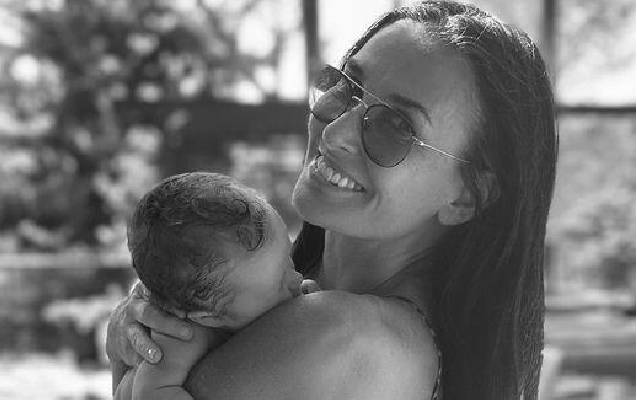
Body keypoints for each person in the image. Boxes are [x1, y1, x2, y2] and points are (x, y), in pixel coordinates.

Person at [106, 1, 558, 399]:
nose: (336, 132)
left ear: (467, 196)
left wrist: (142, 367)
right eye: (348, 88)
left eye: (396, 127)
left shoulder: (343, 338)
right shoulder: (296, 298)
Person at [113, 172, 318, 400]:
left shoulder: (247, 293)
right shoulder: (180, 338)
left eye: (288, 261)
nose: (297, 279)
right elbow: (150, 393)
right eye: (280, 284)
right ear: (210, 316)